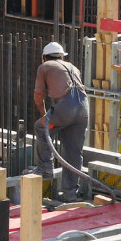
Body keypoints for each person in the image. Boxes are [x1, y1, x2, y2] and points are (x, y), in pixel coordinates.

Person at [32, 41, 89, 203]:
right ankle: (70, 192)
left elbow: (38, 96)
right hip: (83, 111)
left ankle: (45, 170)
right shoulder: (73, 67)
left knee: (41, 128)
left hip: (65, 110)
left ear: (44, 57)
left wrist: (44, 115)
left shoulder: (44, 67)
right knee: (73, 151)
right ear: (63, 56)